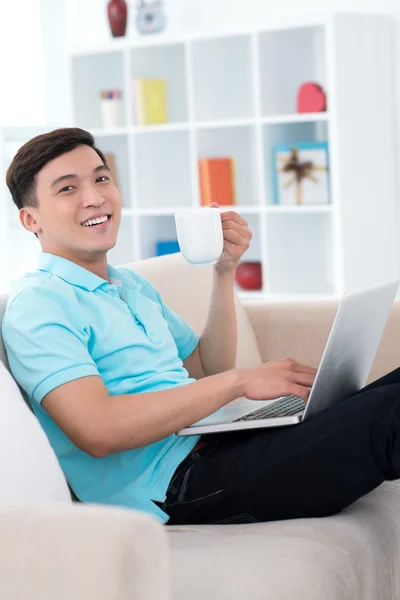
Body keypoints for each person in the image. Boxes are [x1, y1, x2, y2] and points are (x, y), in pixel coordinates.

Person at [2, 127, 400, 526]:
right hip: (175, 485)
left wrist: (224, 271)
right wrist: (241, 384)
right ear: (30, 218)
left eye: (101, 178)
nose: (95, 197)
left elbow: (207, 367)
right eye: (68, 189)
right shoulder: (38, 304)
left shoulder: (129, 286)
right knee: (388, 413)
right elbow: (97, 429)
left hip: (215, 442)